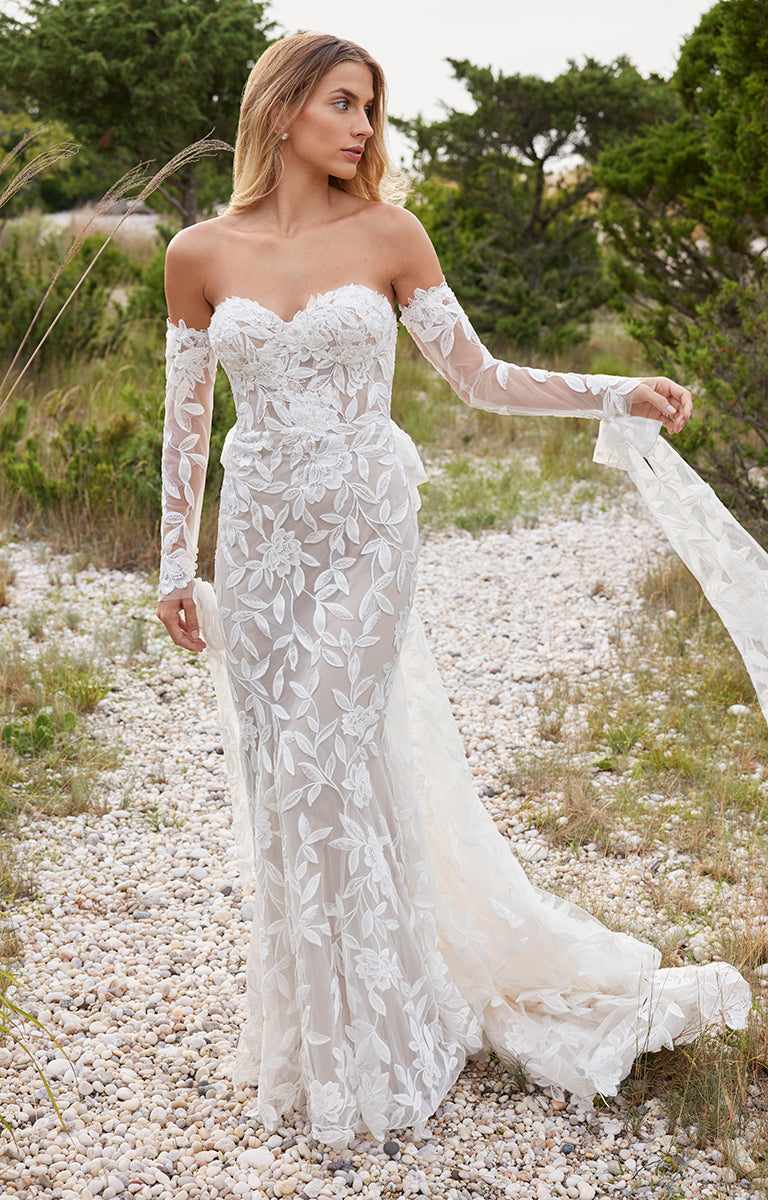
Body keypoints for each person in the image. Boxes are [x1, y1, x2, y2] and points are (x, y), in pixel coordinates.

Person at [156, 32, 751, 1151]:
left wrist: (610, 391)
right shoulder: (198, 251)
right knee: (289, 781)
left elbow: (479, 376)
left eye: (372, 109)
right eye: (345, 104)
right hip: (268, 547)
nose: (364, 129)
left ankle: (382, 1052)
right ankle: (330, 1037)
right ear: (284, 107)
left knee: (329, 754)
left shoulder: (390, 233)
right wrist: (174, 565)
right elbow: (190, 419)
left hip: (369, 536)